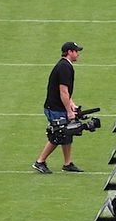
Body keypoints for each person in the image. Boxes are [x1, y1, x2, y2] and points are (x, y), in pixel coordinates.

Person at [32, 41, 84, 174]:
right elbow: (63, 91)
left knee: (67, 133)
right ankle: (40, 161)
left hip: (57, 106)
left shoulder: (65, 65)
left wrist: (72, 105)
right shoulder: (64, 67)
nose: (78, 54)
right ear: (69, 52)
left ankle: (67, 163)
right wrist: (69, 111)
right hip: (55, 108)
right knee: (58, 134)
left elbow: (66, 92)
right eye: (76, 51)